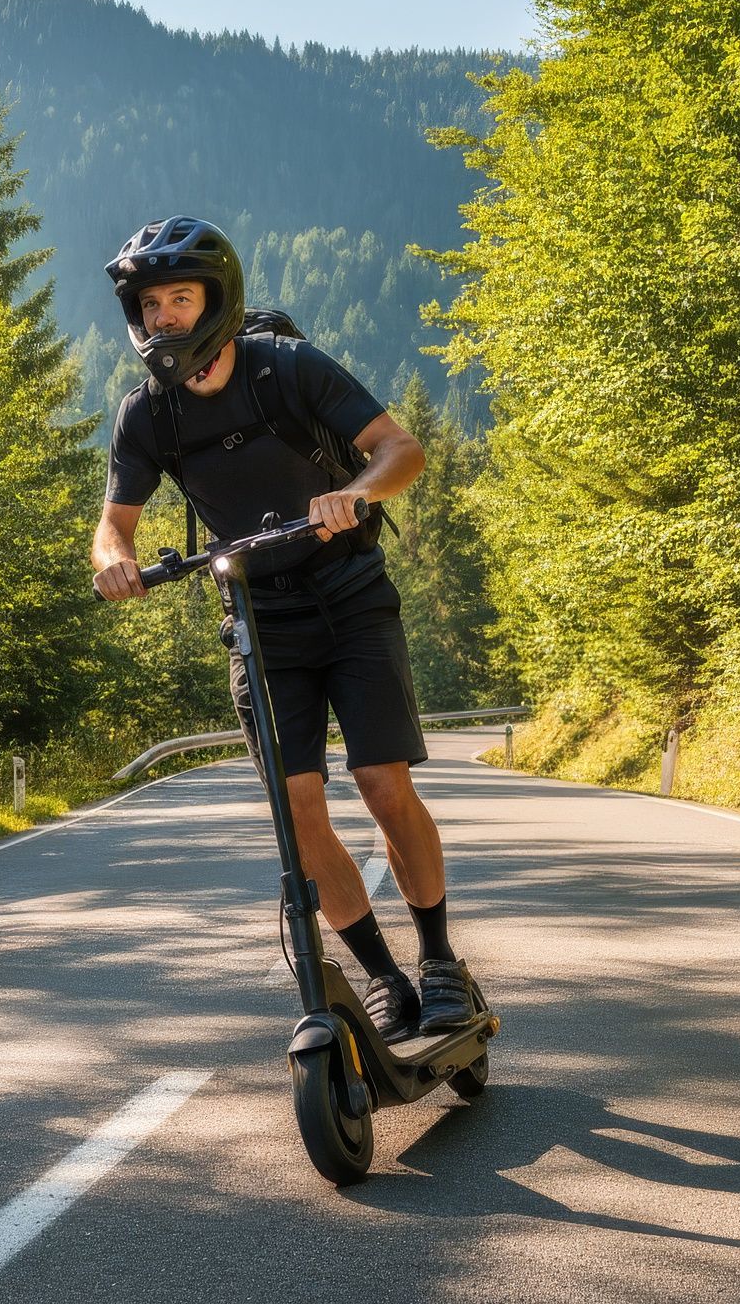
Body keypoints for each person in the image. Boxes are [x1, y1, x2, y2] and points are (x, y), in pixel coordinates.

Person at [90, 214, 481, 1041]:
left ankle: (441, 961)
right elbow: (114, 522)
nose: (163, 319)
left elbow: (399, 449)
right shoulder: (147, 417)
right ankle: (382, 981)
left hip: (350, 594)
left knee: (382, 785)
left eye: (181, 299)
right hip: (258, 620)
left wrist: (358, 494)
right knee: (298, 811)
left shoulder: (287, 369)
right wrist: (113, 559)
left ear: (217, 301)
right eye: (151, 304)